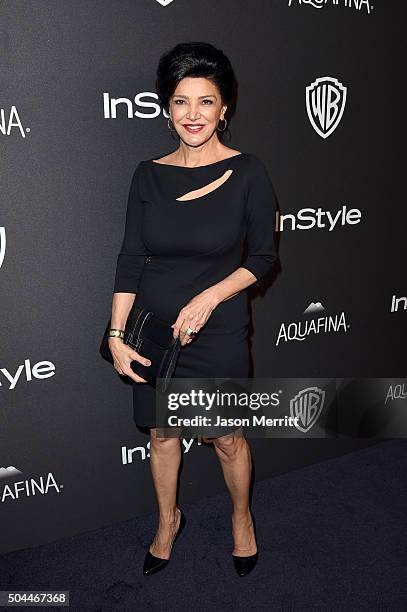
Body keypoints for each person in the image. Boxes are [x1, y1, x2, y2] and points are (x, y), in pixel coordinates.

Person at [107, 41, 278, 577]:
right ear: (166, 108)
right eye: (182, 102)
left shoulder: (249, 172)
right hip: (154, 329)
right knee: (162, 433)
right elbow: (131, 258)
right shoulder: (147, 174)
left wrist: (208, 298)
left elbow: (264, 257)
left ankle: (243, 519)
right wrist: (116, 333)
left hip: (220, 325)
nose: (194, 115)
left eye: (206, 102)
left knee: (227, 437)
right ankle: (167, 520)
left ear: (225, 107)